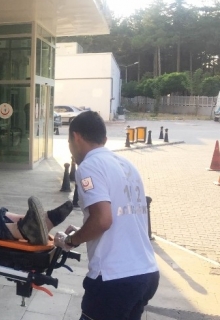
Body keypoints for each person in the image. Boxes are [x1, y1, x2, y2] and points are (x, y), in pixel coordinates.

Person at [54, 111, 159, 320]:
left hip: (114, 278)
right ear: (104, 138)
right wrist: (84, 231)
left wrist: (71, 240)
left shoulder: (89, 166)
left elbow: (102, 220)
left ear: (76, 137)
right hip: (146, 272)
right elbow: (123, 219)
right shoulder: (127, 165)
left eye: (68, 142)